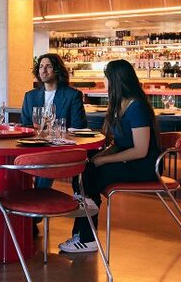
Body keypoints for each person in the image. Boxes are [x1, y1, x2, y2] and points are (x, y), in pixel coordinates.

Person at [59, 59, 161, 253]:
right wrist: (98, 157)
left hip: (145, 167)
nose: (104, 82)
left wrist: (103, 159)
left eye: (106, 78)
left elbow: (141, 150)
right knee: (84, 169)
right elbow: (120, 144)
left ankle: (87, 236)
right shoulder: (120, 105)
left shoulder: (136, 107)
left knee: (90, 176)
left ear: (115, 80)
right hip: (130, 161)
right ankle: (82, 232)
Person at [21, 53, 87, 190]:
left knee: (45, 159)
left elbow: (78, 127)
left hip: (59, 148)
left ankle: (38, 199)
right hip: (34, 146)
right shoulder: (30, 96)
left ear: (57, 70)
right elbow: (26, 126)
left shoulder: (72, 95)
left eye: (48, 66)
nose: (43, 70)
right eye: (41, 66)